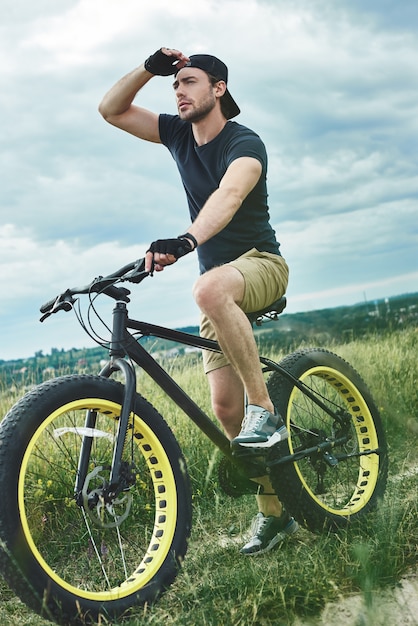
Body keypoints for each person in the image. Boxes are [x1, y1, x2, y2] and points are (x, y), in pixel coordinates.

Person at [99, 47, 298, 555]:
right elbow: (111, 109)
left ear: (219, 88)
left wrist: (186, 241)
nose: (179, 91)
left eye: (189, 81)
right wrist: (149, 68)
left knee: (207, 287)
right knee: (224, 410)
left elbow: (229, 198)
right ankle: (275, 515)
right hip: (219, 286)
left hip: (260, 265)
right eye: (175, 85)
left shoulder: (245, 142)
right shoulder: (177, 135)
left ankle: (267, 410)